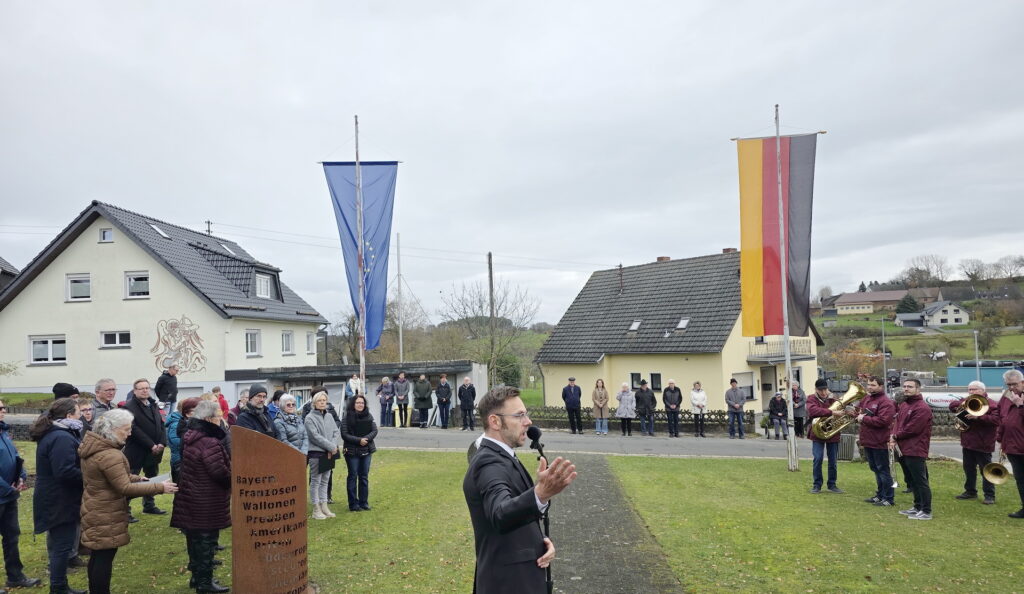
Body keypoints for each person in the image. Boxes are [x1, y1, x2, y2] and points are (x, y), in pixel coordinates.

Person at [463, 386, 577, 593]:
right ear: (495, 421)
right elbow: (500, 513)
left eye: (526, 414)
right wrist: (540, 494)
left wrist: (539, 543)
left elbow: (517, 512)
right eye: (519, 415)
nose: (528, 421)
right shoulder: (488, 463)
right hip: (508, 583)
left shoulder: (504, 456)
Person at [79, 409, 177, 594]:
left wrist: (138, 479)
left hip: (96, 506)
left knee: (99, 555)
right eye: (126, 429)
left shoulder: (96, 447)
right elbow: (124, 488)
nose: (129, 433)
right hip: (105, 511)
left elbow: (112, 477)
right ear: (112, 429)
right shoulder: (110, 454)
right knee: (104, 557)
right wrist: (159, 487)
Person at [170, 401, 231, 593]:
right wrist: (234, 477)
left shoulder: (192, 436)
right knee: (205, 542)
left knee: (195, 540)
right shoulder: (209, 441)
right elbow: (219, 472)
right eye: (217, 417)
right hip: (206, 499)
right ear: (207, 419)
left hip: (192, 496)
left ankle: (197, 578)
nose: (220, 420)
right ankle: (205, 584)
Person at [30, 398, 84, 594]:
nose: (81, 416)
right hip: (58, 499)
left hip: (56, 497)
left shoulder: (58, 433)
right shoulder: (61, 437)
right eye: (78, 412)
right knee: (62, 546)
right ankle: (58, 587)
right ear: (69, 415)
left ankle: (60, 585)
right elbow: (64, 471)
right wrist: (90, 477)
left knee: (60, 545)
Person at [0, 399, 41, 591]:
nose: (3, 410)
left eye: (3, 407)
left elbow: (16, 457)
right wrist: (8, 488)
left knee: (12, 536)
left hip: (9, 497)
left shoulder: (4, 432)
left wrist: (22, 476)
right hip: (4, 493)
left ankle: (15, 576)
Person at [949, 380, 1000, 504]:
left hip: (983, 443)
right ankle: (970, 492)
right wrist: (961, 403)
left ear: (983, 390)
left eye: (975, 389)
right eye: (970, 389)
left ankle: (989, 495)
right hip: (968, 441)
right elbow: (952, 406)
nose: (971, 392)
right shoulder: (966, 400)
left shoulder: (992, 404)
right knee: (969, 469)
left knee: (986, 470)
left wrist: (979, 417)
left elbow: (996, 420)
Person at [123, 378, 168, 517]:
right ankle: (125, 511)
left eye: (147, 388)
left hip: (154, 451)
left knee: (152, 477)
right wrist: (151, 445)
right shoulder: (128, 407)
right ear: (135, 391)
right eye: (141, 388)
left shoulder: (153, 404)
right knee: (131, 480)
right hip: (137, 450)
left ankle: (149, 505)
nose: (145, 390)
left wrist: (161, 442)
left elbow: (161, 424)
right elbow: (134, 429)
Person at [892, 378, 933, 520]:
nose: (906, 389)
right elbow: (898, 423)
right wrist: (893, 437)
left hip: (916, 448)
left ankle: (926, 511)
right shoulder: (904, 405)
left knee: (920, 481)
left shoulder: (922, 408)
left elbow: (913, 429)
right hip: (904, 448)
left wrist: (895, 436)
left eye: (910, 386)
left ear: (918, 389)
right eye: (904, 386)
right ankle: (917, 507)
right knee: (912, 481)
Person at [857, 376, 896, 507]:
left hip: (880, 441)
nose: (869, 387)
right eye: (868, 384)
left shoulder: (886, 402)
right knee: (875, 469)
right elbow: (859, 412)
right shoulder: (867, 398)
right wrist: (852, 413)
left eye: (873, 385)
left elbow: (884, 421)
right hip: (869, 440)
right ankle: (880, 495)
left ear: (880, 386)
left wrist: (864, 419)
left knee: (883, 470)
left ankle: (888, 498)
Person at [305, 391, 341, 520]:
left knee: (325, 480)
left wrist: (333, 446)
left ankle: (324, 505)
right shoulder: (309, 418)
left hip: (329, 453)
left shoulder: (330, 416)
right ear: (314, 403)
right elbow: (314, 437)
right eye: (319, 401)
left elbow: (336, 432)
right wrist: (331, 447)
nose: (322, 403)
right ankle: (316, 509)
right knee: (316, 481)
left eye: (324, 401)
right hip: (316, 453)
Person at [806, 379, 844, 494]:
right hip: (817, 433)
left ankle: (832, 484)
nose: (823, 392)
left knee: (833, 461)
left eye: (825, 389)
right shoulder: (811, 398)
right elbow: (813, 411)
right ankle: (817, 485)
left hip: (832, 433)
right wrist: (831, 412)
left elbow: (842, 410)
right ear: (816, 389)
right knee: (817, 459)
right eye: (820, 390)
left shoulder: (833, 398)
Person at [341, 394, 378, 511]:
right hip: (352, 451)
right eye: (358, 402)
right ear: (353, 404)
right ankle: (353, 504)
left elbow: (374, 430)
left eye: (362, 402)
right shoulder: (346, 417)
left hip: (366, 450)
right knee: (353, 476)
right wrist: (359, 440)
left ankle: (363, 502)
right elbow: (344, 434)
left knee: (364, 476)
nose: (360, 404)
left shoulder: (369, 416)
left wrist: (365, 439)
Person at [996, 369, 1024, 519]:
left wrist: (1021, 405)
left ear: (1022, 382)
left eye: (1014, 384)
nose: (1012, 387)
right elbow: (1000, 415)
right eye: (1008, 385)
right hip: (1012, 446)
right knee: (1020, 479)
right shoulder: (1006, 396)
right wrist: (1000, 437)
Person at [166, 398, 200, 485]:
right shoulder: (176, 423)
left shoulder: (184, 421)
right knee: (181, 489)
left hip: (182, 459)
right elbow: (175, 442)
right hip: (179, 460)